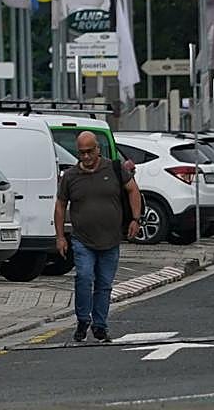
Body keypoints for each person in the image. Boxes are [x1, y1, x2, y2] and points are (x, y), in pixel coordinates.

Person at [55, 131, 142, 343]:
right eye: (81, 153)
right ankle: (83, 319)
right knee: (84, 278)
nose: (85, 157)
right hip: (82, 239)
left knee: (104, 284)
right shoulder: (70, 176)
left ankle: (100, 326)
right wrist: (60, 236)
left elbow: (133, 190)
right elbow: (60, 205)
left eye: (89, 152)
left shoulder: (114, 168)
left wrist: (136, 219)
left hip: (111, 239)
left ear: (97, 149)